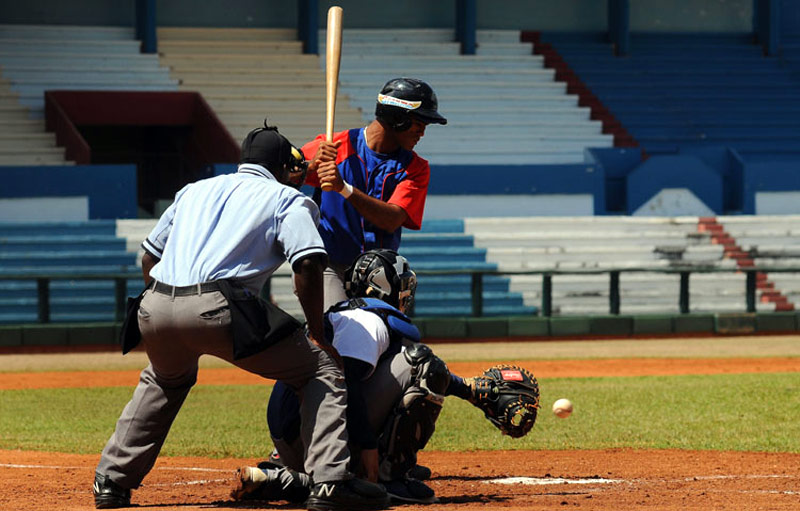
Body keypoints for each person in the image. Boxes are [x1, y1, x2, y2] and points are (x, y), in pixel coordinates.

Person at [92, 123, 388, 511]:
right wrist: (318, 333)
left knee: (163, 380)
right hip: (221, 307)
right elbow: (310, 265)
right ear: (283, 168)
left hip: (155, 305)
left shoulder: (194, 190)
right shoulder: (287, 198)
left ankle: (110, 481)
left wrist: (170, 301)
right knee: (321, 369)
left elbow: (150, 257)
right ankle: (330, 482)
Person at [229, 249, 541, 505]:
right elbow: (342, 384)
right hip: (308, 436)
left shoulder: (349, 317)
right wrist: (367, 447)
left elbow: (374, 374)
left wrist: (469, 390)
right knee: (424, 364)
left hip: (294, 437)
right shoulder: (368, 322)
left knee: (419, 364)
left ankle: (281, 478)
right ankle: (391, 477)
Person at [302, 78, 447, 310]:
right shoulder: (334, 146)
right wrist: (308, 167)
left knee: (396, 342)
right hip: (329, 266)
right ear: (397, 118)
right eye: (419, 123)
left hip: (380, 273)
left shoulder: (416, 168)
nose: (422, 132)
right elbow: (278, 175)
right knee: (340, 329)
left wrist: (343, 188)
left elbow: (391, 220)